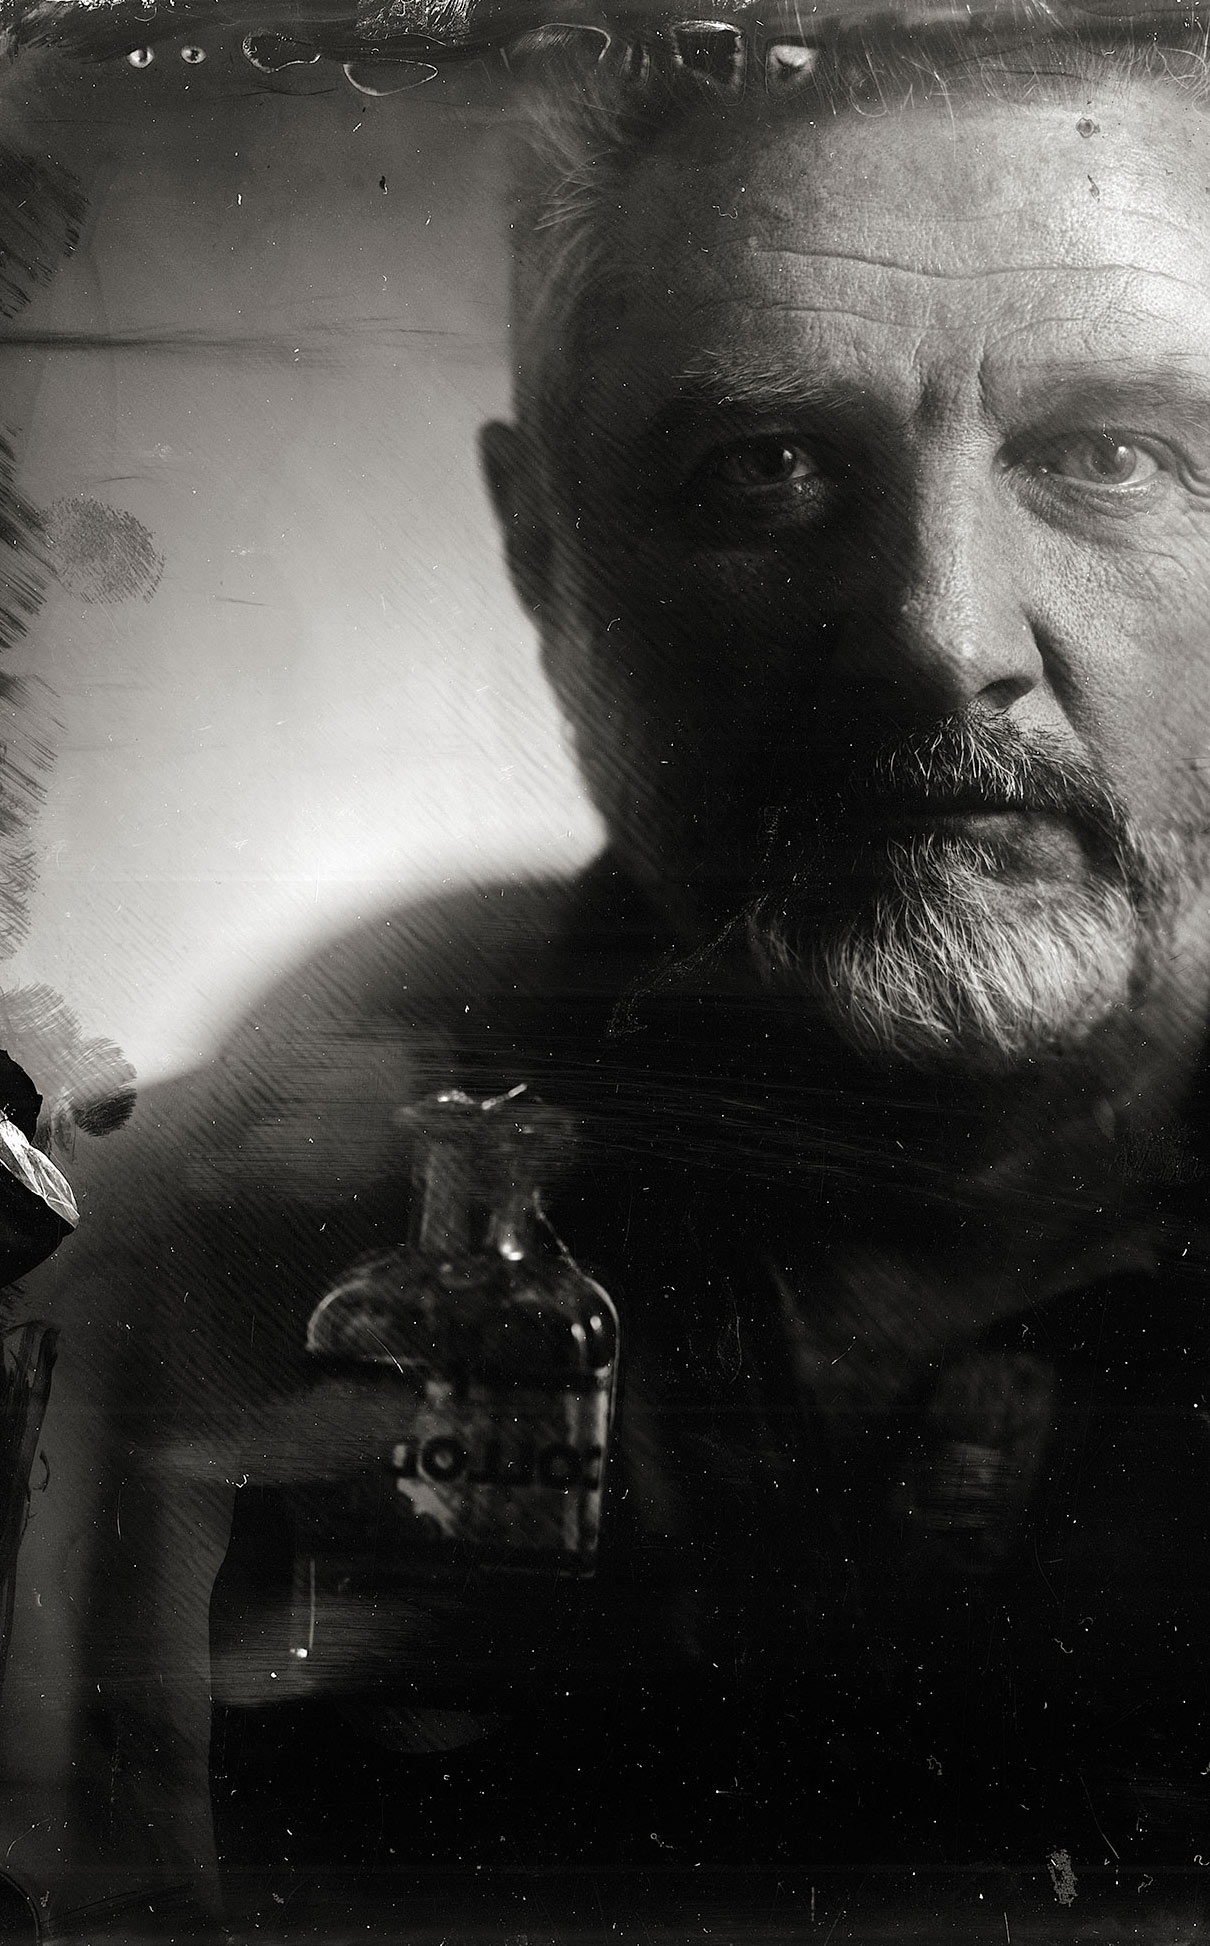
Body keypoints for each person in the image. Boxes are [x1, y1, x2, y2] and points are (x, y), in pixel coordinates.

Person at [8, 7, 1210, 1936]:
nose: (937, 635)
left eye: (1114, 455)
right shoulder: (240, 1222)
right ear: (539, 550)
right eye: (764, 466)